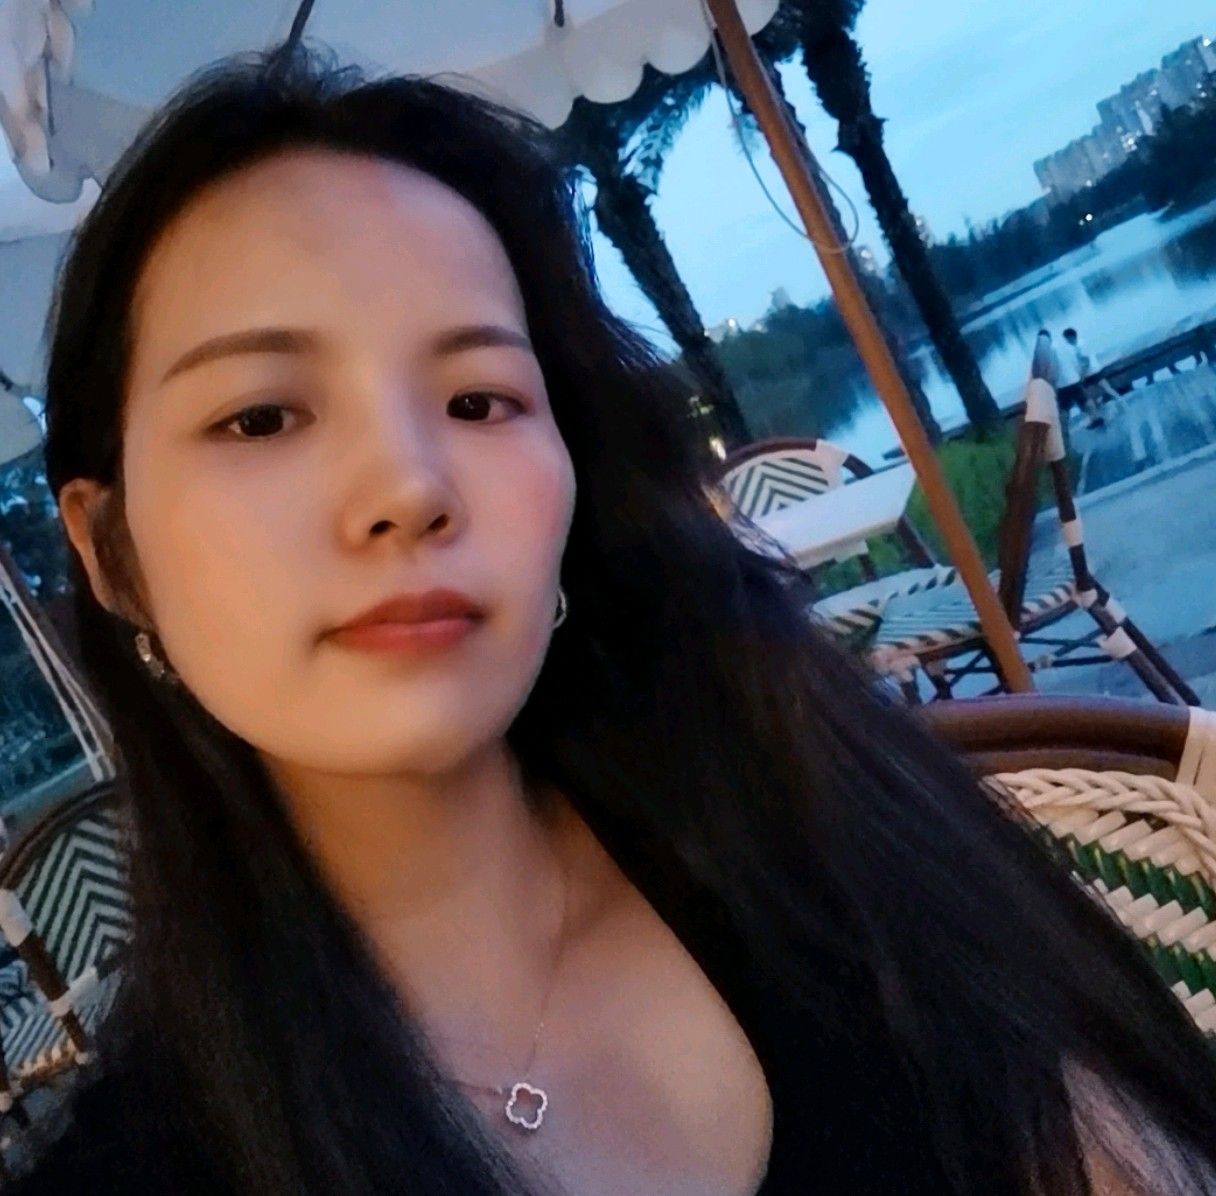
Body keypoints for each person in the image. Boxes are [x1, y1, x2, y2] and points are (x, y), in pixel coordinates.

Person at [11, 42, 1216, 1195]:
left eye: (478, 398)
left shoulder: (815, 825)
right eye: (261, 417)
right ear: (112, 552)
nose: (409, 488)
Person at [1051, 328, 1105, 429]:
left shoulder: (1047, 353)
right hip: (1074, 380)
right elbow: (1076, 362)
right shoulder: (1067, 348)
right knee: (1084, 400)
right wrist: (1080, 374)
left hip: (1062, 385)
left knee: (1064, 408)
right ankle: (1096, 417)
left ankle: (1064, 430)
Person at [1064, 326, 1124, 414]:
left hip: (1092, 373)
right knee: (1105, 389)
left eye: (1067, 339)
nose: (1067, 341)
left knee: (1102, 390)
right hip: (1094, 371)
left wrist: (1081, 375)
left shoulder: (1079, 347)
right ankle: (1119, 401)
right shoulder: (1080, 344)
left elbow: (1086, 361)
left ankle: (1118, 402)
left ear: (1071, 337)